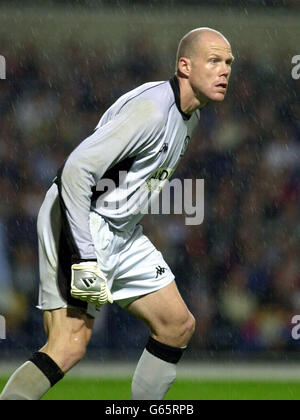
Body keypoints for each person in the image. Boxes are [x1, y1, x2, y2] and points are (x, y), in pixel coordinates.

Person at [0, 27, 234, 400]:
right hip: (79, 219)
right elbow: (76, 170)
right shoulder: (153, 109)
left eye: (228, 63)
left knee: (176, 325)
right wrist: (86, 256)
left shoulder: (192, 115)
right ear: (185, 66)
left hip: (122, 231)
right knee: (68, 344)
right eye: (214, 61)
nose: (224, 70)